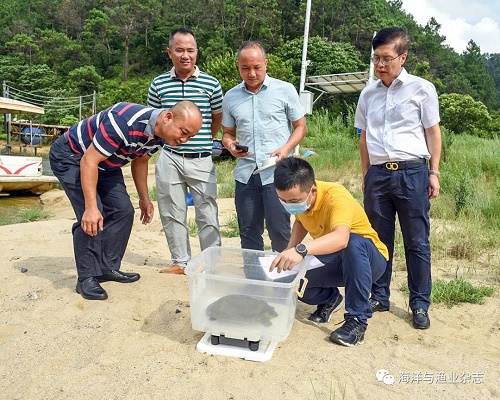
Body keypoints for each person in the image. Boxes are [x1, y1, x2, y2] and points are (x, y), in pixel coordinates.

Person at [49, 101, 203, 300]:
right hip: (73, 156)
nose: (184, 139)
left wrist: (144, 199)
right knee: (92, 216)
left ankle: (106, 268)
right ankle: (86, 277)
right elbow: (89, 161)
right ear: (167, 117)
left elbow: (141, 160)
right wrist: (91, 207)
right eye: (184, 132)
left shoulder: (161, 135)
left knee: (123, 211)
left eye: (190, 136)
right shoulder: (123, 122)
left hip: (106, 163)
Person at [355, 27, 442, 329]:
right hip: (378, 175)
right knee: (379, 240)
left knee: (417, 242)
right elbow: (364, 137)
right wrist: (366, 173)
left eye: (387, 58)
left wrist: (434, 172)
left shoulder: (422, 89)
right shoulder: (368, 93)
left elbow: (432, 132)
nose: (380, 65)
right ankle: (379, 295)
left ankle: (419, 303)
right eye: (376, 58)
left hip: (412, 173)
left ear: (402, 57)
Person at [270, 157, 388, 347]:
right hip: (336, 258)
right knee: (294, 279)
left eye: (293, 201)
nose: (288, 205)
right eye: (282, 200)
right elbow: (301, 221)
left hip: (368, 260)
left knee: (352, 242)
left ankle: (357, 321)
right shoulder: (303, 200)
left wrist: (301, 250)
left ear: (312, 191)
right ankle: (330, 299)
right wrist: (289, 249)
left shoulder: (336, 197)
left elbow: (341, 238)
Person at [147, 27, 224, 275]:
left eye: (190, 50)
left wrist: (202, 142)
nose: (185, 55)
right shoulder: (158, 84)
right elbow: (154, 121)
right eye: (179, 50)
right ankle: (181, 262)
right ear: (169, 53)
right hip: (169, 157)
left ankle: (211, 264)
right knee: (172, 211)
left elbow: (216, 119)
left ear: (196, 52)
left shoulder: (211, 84)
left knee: (207, 214)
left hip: (201, 158)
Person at [221, 41, 306, 252]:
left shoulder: (285, 90)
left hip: (277, 173)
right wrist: (231, 146)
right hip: (246, 175)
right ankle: (254, 281)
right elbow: (227, 134)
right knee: (248, 232)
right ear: (237, 66)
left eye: (257, 67)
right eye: (245, 68)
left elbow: (300, 127)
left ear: (266, 64)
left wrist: (285, 149)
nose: (251, 73)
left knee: (279, 231)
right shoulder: (230, 97)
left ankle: (284, 281)